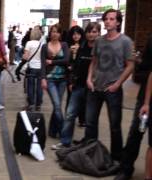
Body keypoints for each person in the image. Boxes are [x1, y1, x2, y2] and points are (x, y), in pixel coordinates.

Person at [85, 9, 135, 162]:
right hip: (95, 87)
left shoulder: (125, 41)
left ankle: (116, 158)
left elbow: (130, 65)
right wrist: (89, 78)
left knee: (114, 125)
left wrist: (118, 84)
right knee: (90, 122)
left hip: (112, 89)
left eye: (112, 19)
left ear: (118, 22)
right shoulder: (99, 41)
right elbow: (94, 61)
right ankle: (91, 153)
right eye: (106, 19)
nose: (107, 21)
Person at [51, 22, 101, 150]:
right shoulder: (82, 47)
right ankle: (65, 141)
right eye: (89, 32)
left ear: (98, 33)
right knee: (70, 114)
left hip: (93, 88)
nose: (91, 34)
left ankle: (90, 144)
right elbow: (76, 65)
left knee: (90, 118)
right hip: (78, 85)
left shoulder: (101, 48)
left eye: (94, 32)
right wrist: (72, 81)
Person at [114, 35, 152, 180]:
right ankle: (126, 168)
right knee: (136, 132)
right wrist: (138, 60)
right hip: (146, 97)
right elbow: (144, 66)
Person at [40, 23, 70, 138]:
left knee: (56, 106)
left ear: (60, 34)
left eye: (57, 31)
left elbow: (67, 60)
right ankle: (64, 133)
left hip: (62, 80)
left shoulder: (64, 45)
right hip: (50, 79)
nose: (55, 34)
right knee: (57, 105)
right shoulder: (45, 46)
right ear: (50, 33)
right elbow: (43, 64)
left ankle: (52, 131)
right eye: (53, 31)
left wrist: (52, 62)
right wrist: (43, 79)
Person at [65, 25, 86, 127]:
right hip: (71, 74)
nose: (76, 36)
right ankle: (68, 117)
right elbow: (66, 60)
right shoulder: (68, 45)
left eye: (78, 34)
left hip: (82, 74)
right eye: (74, 34)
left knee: (82, 97)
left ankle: (82, 119)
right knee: (70, 95)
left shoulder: (85, 46)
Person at [22, 28, 44, 111]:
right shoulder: (42, 44)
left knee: (30, 86)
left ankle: (31, 104)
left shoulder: (29, 43)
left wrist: (23, 57)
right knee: (39, 87)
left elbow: (26, 56)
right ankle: (38, 104)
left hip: (31, 67)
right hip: (40, 68)